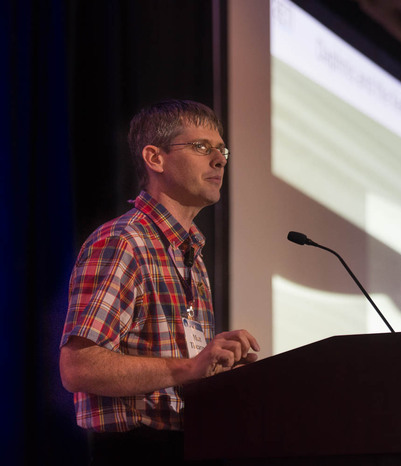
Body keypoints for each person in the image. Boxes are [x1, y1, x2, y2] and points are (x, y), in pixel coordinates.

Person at [59, 99, 259, 465]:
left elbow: (184, 370)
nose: (220, 160)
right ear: (155, 158)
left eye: (222, 150)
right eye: (202, 147)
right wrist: (190, 367)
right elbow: (79, 367)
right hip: (135, 450)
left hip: (189, 445)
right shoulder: (124, 241)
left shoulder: (190, 252)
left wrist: (221, 373)